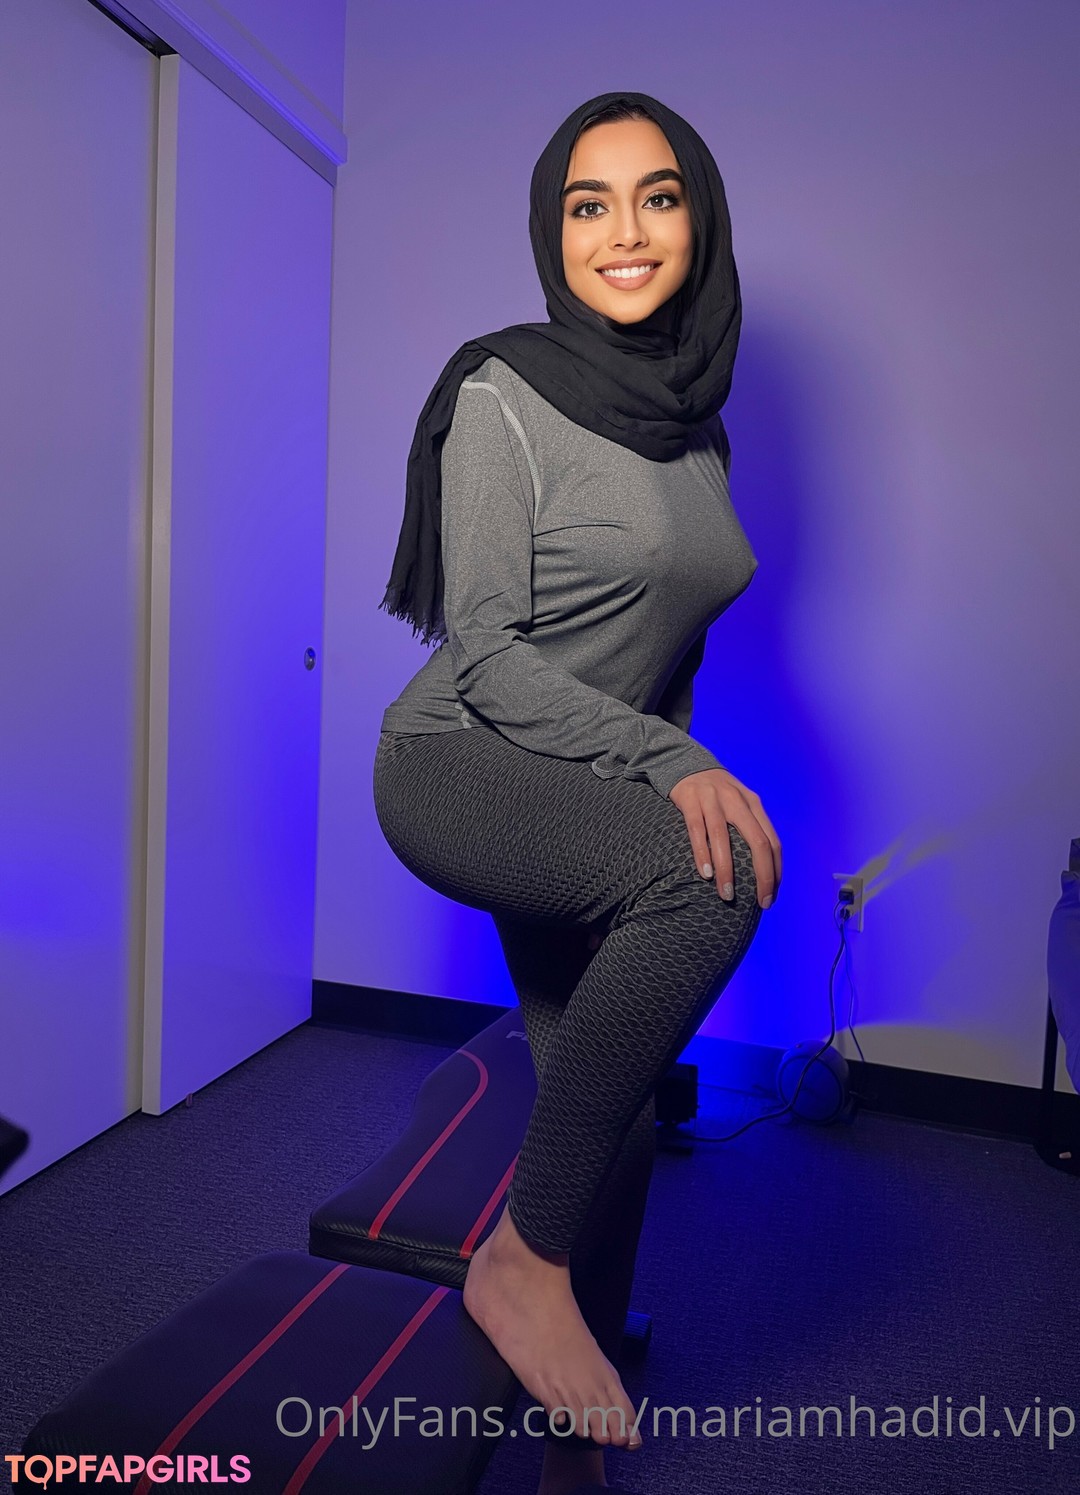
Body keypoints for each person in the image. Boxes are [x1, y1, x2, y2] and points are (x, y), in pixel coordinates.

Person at [372, 90, 782, 1495]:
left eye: (657, 197)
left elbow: (670, 647)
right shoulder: (502, 393)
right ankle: (521, 1263)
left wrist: (670, 759)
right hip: (462, 760)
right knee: (716, 882)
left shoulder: (697, 427)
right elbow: (484, 652)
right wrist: (678, 773)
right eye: (587, 204)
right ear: (554, 232)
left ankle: (575, 1402)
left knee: (604, 1103)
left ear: (698, 218)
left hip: (585, 770)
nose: (625, 232)